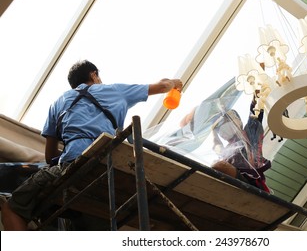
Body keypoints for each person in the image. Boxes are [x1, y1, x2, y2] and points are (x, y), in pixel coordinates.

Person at [0, 59, 183, 230]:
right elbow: (162, 87)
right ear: (94, 75)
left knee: (11, 207)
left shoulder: (57, 104)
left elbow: (50, 157)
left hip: (72, 166)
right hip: (111, 168)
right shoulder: (115, 91)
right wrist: (174, 83)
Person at [211, 96, 271, 193]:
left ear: (239, 121)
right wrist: (213, 131)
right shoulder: (227, 150)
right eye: (219, 127)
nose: (223, 126)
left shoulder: (248, 135)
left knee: (219, 166)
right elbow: (216, 146)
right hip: (232, 181)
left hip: (248, 182)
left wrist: (255, 101)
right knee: (216, 165)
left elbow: (255, 117)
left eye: (227, 120)